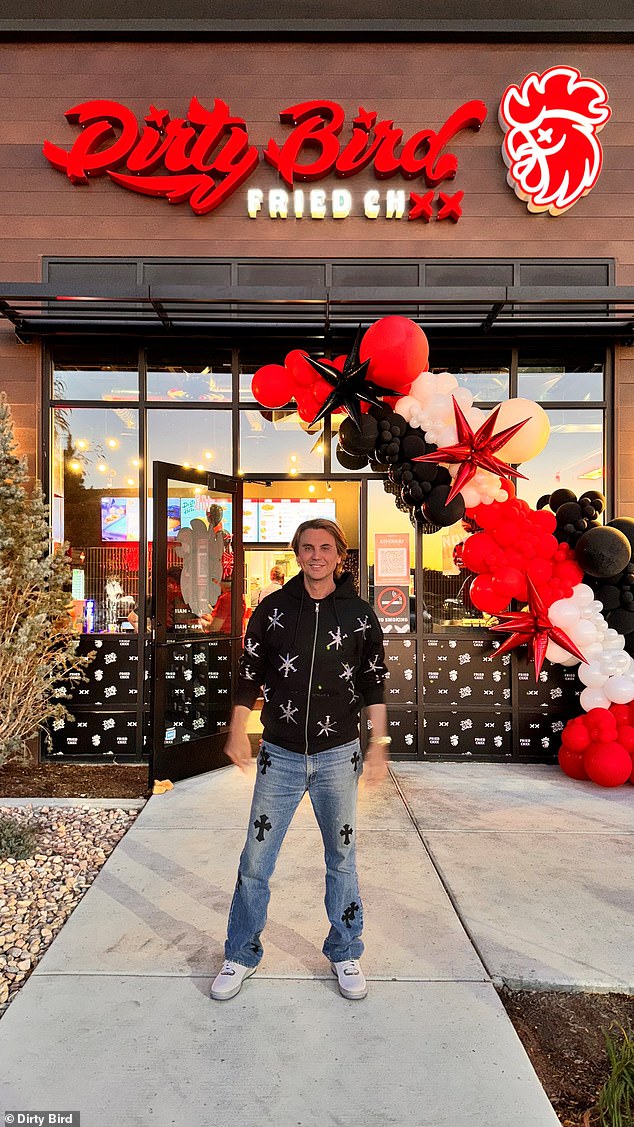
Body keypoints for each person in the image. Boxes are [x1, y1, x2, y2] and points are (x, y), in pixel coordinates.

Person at [211, 518, 389, 1003]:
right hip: (280, 758)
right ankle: (240, 953)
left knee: (342, 860)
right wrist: (236, 729)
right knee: (255, 860)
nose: (316, 555)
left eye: (325, 548)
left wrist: (379, 744)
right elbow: (249, 674)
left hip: (338, 757)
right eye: (307, 548)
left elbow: (374, 682)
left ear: (340, 555)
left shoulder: (358, 614)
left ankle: (346, 949)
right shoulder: (272, 610)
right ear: (297, 553)